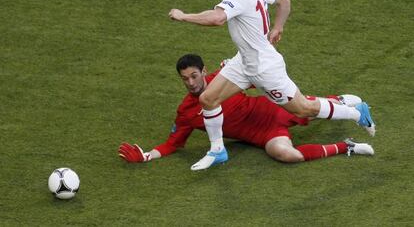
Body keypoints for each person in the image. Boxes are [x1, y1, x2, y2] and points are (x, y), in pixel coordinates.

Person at [168, 0, 375, 170]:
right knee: (208, 99)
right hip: (244, 61)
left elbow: (217, 18)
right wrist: (278, 27)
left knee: (303, 109)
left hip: (263, 68)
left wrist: (183, 16)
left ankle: (357, 113)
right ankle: (218, 150)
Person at [118, 54, 374, 167]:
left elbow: (259, 79)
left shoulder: (223, 78)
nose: (191, 82)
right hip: (263, 137)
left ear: (204, 71)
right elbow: (173, 143)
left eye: (194, 75)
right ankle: (346, 146)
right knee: (288, 156)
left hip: (271, 110)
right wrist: (147, 156)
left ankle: (336, 101)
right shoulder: (185, 111)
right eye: (185, 78)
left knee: (306, 107)